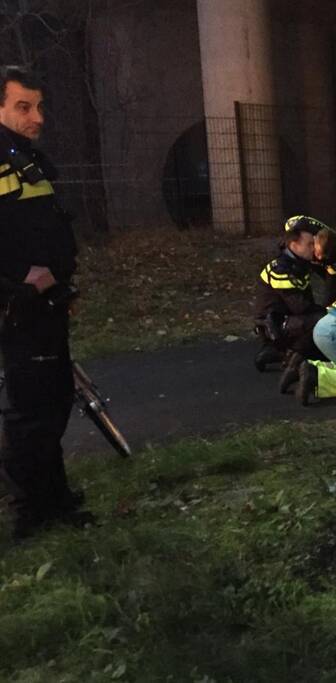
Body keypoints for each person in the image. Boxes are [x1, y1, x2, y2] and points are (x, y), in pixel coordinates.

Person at [0, 67, 94, 539]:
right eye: (23, 107)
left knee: (52, 404)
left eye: (39, 107)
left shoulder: (22, 157)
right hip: (21, 312)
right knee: (30, 415)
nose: (37, 117)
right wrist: (18, 288)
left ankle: (54, 498)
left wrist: (58, 284)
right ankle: (32, 514)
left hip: (46, 308)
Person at [252, 215, 327, 387]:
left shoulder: (298, 263)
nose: (314, 248)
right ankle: (293, 355)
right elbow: (300, 307)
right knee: (322, 321)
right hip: (274, 325)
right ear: (294, 244)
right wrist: (329, 311)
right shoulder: (281, 269)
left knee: (320, 318)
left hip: (284, 320)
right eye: (310, 244)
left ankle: (289, 353)